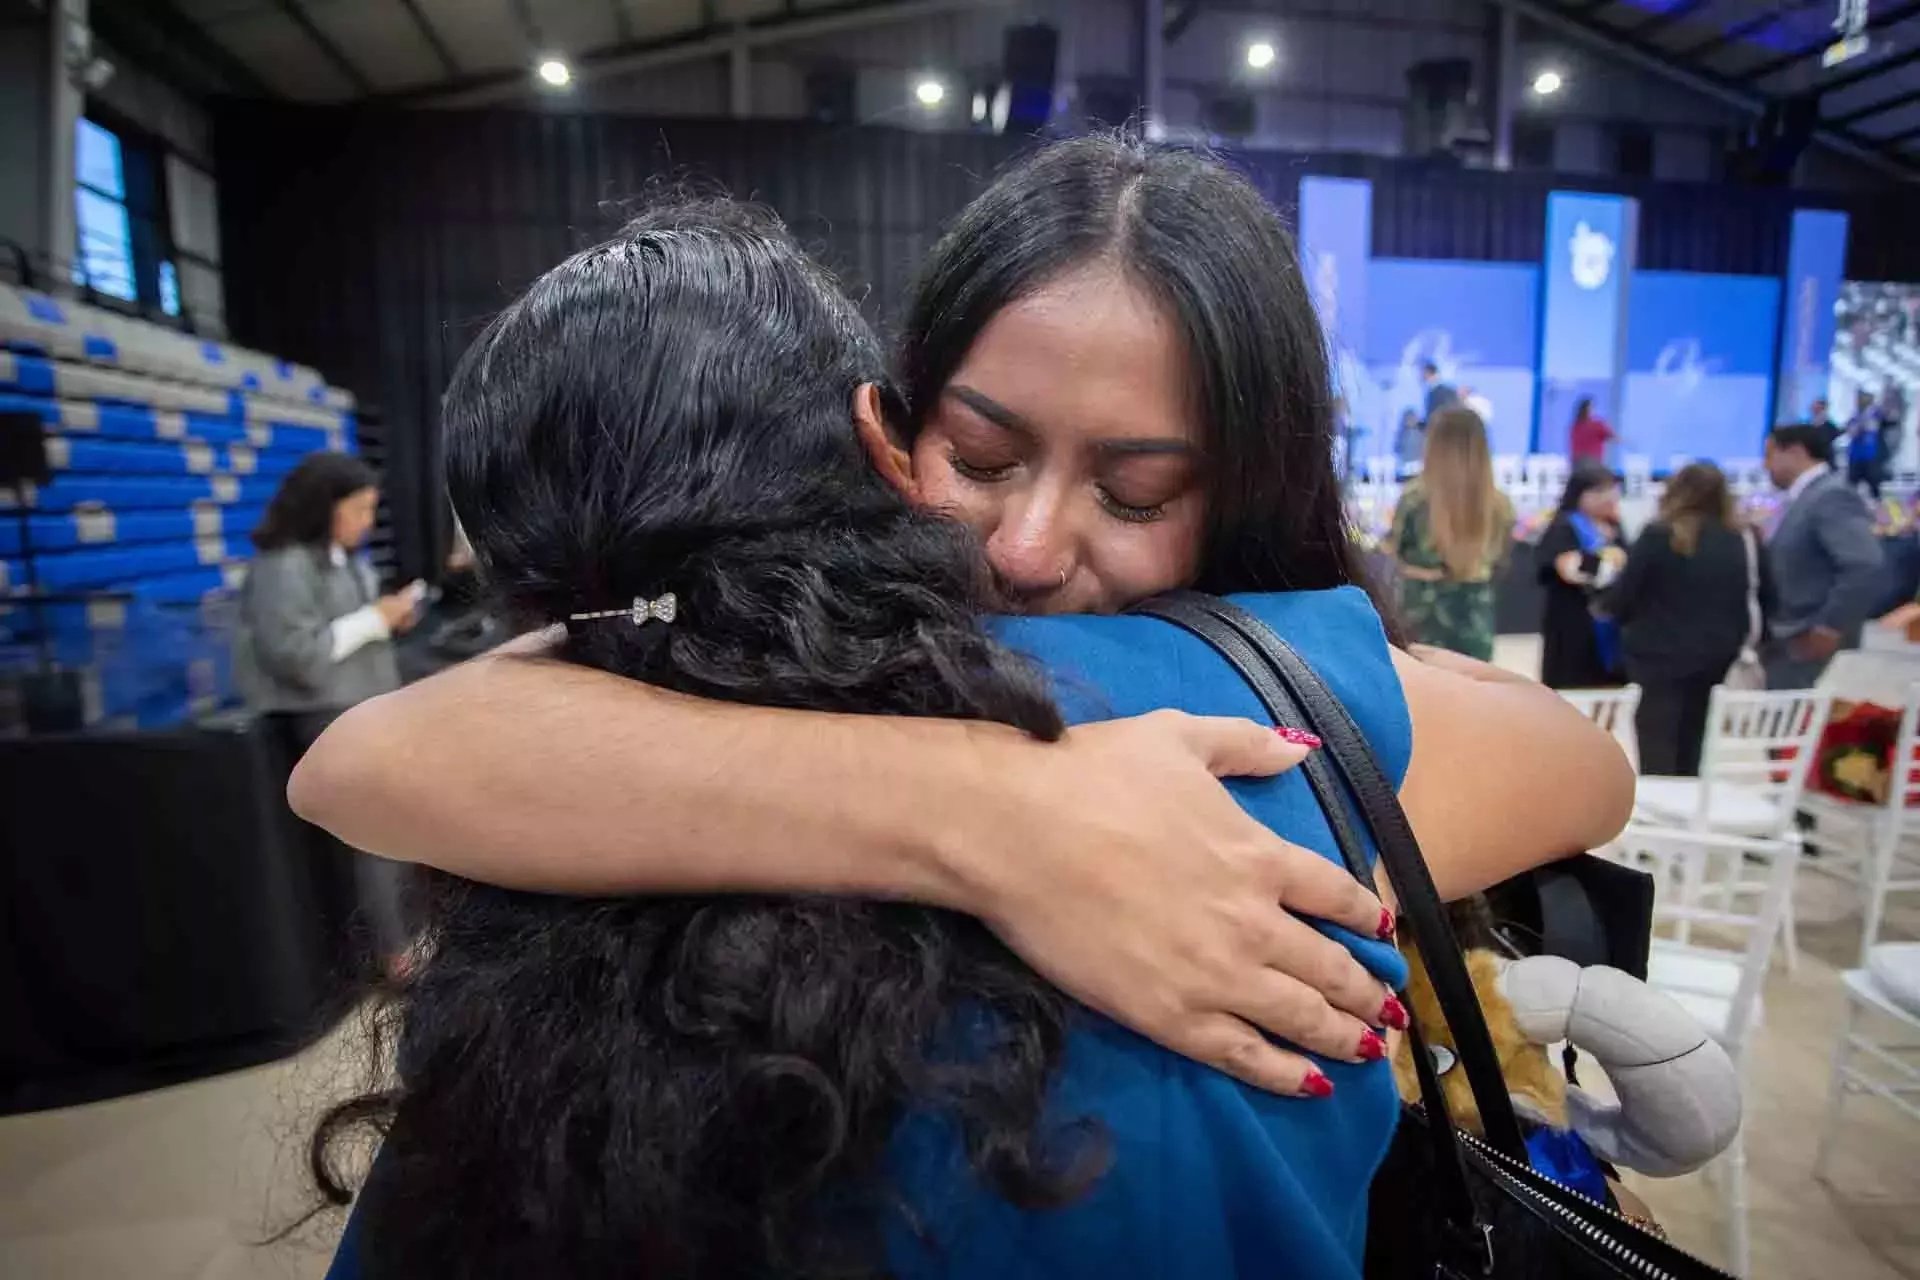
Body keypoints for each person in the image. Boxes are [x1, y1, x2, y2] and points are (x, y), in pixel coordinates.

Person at [290, 138, 1634, 1109]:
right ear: (885, 428)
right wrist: (1000, 812)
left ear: (1248, 493)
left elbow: (1587, 772)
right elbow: (367, 759)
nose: (1029, 546)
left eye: (1137, 488)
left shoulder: (1259, 704)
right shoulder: (744, 657)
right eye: (980, 454)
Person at [234, 452, 423, 963]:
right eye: (358, 510)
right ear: (325, 507)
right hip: (324, 713)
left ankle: (404, 930)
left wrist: (389, 618)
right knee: (373, 828)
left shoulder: (340, 557)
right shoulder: (283, 565)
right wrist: (373, 620)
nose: (366, 522)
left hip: (364, 706)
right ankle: (393, 950)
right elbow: (297, 656)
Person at [1608, 463, 1770, 776]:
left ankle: (1660, 810)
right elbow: (1764, 594)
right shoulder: (1744, 539)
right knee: (1695, 735)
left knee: (1657, 738)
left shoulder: (1658, 535)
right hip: (1717, 654)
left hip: (1656, 655)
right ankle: (1687, 802)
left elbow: (1625, 594)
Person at [1762, 422, 1885, 689]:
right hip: (1790, 636)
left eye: (1769, 455)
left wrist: (1831, 625)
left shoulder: (1831, 495)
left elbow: (1864, 564)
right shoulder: (1804, 497)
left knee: (1794, 724)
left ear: (1795, 452)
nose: (1765, 466)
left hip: (1809, 638)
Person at [1389, 406, 1514, 661]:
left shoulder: (1415, 499)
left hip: (1422, 619)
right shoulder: (1500, 505)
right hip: (1475, 618)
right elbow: (1501, 559)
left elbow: (1395, 551)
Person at [1537, 464, 1627, 689]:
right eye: (1598, 491)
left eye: (1611, 489)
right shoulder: (1564, 526)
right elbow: (1559, 567)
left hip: (1611, 622)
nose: (1607, 497)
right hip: (1574, 623)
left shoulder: (1615, 526)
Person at [1845, 388, 1884, 498]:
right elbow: (1852, 432)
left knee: (1874, 489)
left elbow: (1873, 429)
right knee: (1851, 488)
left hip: (1870, 456)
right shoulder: (1854, 416)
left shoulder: (1875, 415)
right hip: (1855, 456)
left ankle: (1878, 509)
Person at [1568, 397, 1614, 468]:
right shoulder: (1595, 425)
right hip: (1588, 463)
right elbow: (1611, 437)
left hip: (1582, 463)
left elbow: (1610, 436)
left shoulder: (1575, 426)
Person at [1394, 407, 1424, 471]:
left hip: (1418, 466)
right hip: (1405, 466)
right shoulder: (1402, 434)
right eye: (1408, 418)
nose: (1410, 420)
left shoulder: (1422, 433)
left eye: (1412, 418)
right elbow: (1397, 449)